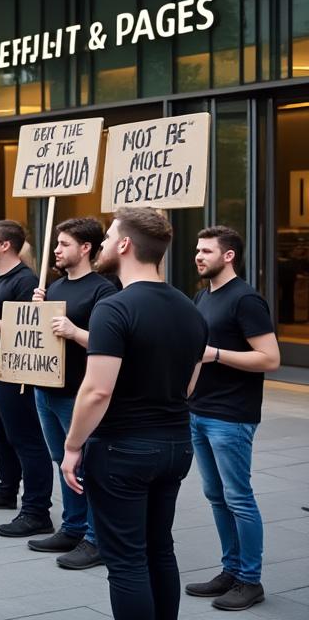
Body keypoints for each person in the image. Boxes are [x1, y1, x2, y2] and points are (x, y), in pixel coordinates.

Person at [60, 207, 207, 620]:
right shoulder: (190, 308)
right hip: (176, 445)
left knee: (125, 561)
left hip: (122, 449)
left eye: (108, 237)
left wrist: (72, 447)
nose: (104, 243)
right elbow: (190, 386)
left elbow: (97, 389)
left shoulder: (115, 308)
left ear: (125, 244)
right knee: (160, 547)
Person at [184, 225, 280, 611]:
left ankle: (250, 580)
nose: (198, 256)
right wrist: (185, 397)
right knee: (216, 496)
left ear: (229, 256)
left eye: (207, 250)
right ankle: (231, 570)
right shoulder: (201, 297)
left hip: (231, 416)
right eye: (197, 249)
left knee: (238, 498)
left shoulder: (246, 300)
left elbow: (271, 359)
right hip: (199, 412)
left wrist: (218, 354)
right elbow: (195, 354)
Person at [29, 217, 115, 570]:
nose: (56, 250)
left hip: (78, 391)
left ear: (85, 248)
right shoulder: (55, 287)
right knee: (62, 462)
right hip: (46, 388)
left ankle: (96, 539)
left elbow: (109, 343)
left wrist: (74, 331)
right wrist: (38, 310)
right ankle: (73, 526)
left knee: (86, 465)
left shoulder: (104, 290)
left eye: (63, 244)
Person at [0, 220, 54, 538]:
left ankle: (36, 510)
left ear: (5, 245)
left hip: (14, 373)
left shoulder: (25, 281)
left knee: (26, 439)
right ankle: (7, 489)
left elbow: (31, 331)